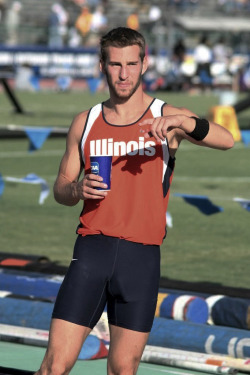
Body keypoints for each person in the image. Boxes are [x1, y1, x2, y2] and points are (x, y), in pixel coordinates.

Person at [35, 27, 234, 375]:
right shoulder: (85, 122)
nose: (123, 73)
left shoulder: (167, 117)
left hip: (141, 259)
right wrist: (77, 190)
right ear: (102, 66)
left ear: (145, 64)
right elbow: (60, 189)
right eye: (115, 64)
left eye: (131, 63)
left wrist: (183, 121)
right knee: (54, 367)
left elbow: (227, 140)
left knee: (123, 370)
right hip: (92, 252)